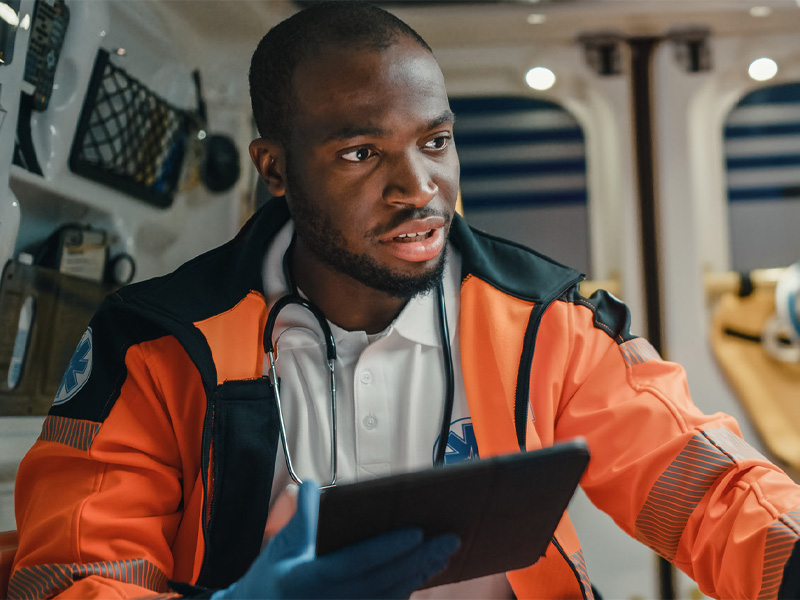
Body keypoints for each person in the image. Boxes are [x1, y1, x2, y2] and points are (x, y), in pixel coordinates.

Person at [9, 2, 800, 599]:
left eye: (435, 141)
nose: (420, 189)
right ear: (275, 169)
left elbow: (705, 488)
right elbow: (75, 571)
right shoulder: (157, 344)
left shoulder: (548, 320)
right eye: (362, 152)